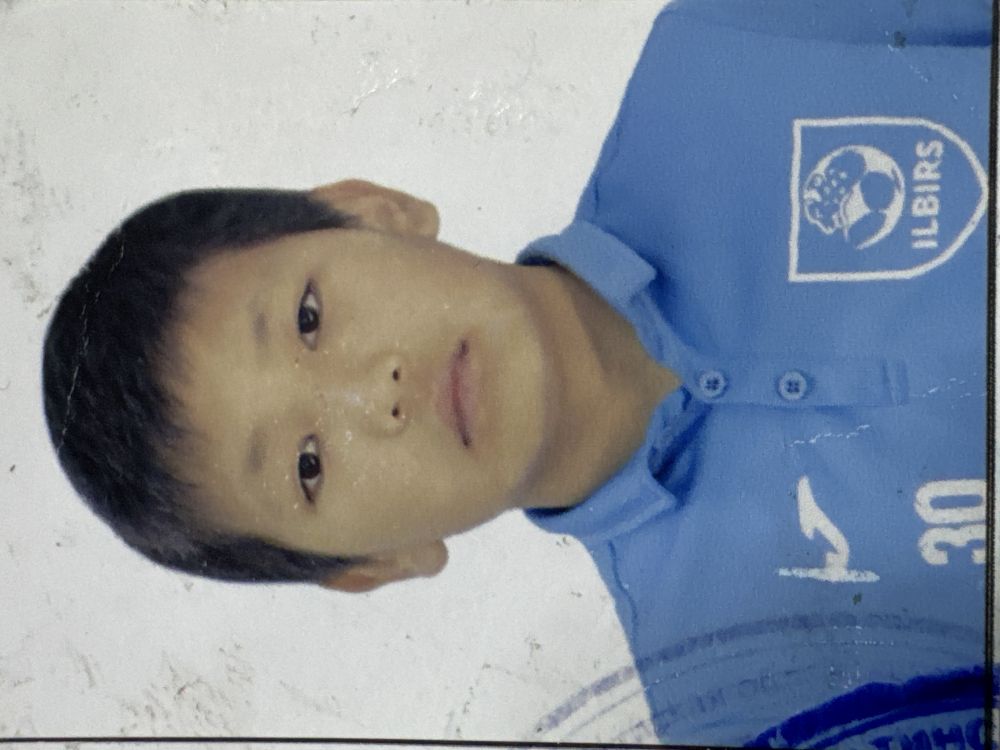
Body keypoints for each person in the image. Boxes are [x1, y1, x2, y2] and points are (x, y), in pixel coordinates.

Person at [42, 0, 993, 745]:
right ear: (376, 566)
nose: (374, 393)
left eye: (308, 319)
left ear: (372, 210)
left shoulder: (733, 47)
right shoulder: (753, 705)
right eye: (309, 466)